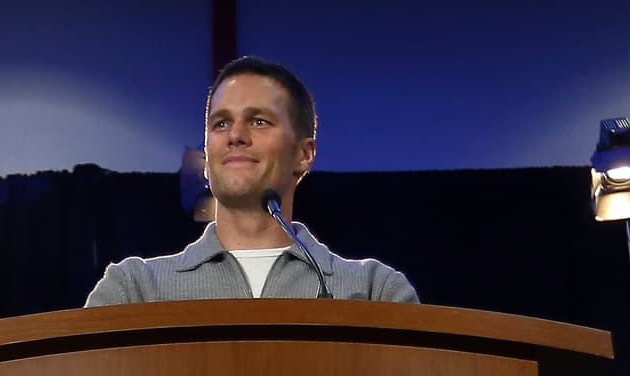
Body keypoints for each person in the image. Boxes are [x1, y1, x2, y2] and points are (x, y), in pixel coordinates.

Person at [85, 57, 419, 306]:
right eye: (220, 124)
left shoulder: (375, 291)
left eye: (258, 121)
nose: (235, 136)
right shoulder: (135, 290)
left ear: (304, 154)